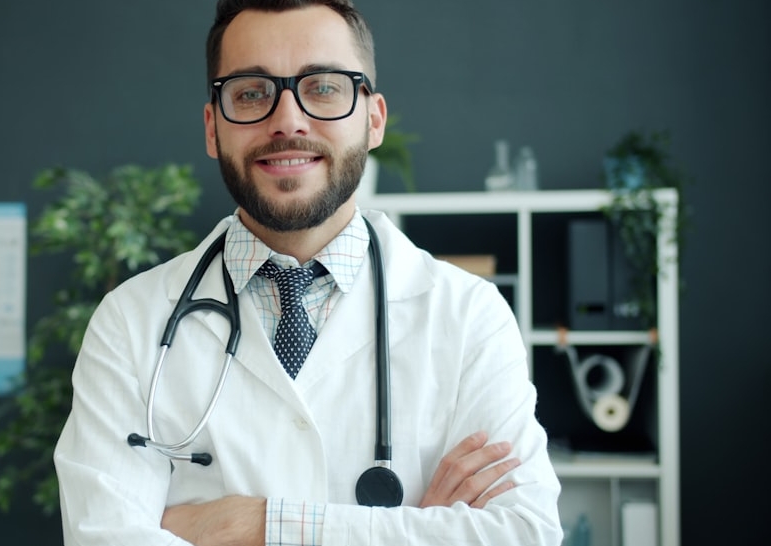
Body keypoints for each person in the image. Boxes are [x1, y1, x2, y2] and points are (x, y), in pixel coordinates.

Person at [53, 1, 562, 544]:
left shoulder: (469, 318)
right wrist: (409, 527)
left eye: (323, 87)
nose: (287, 120)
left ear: (374, 119)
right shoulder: (130, 324)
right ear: (212, 128)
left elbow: (523, 534)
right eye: (251, 93)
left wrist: (257, 524)